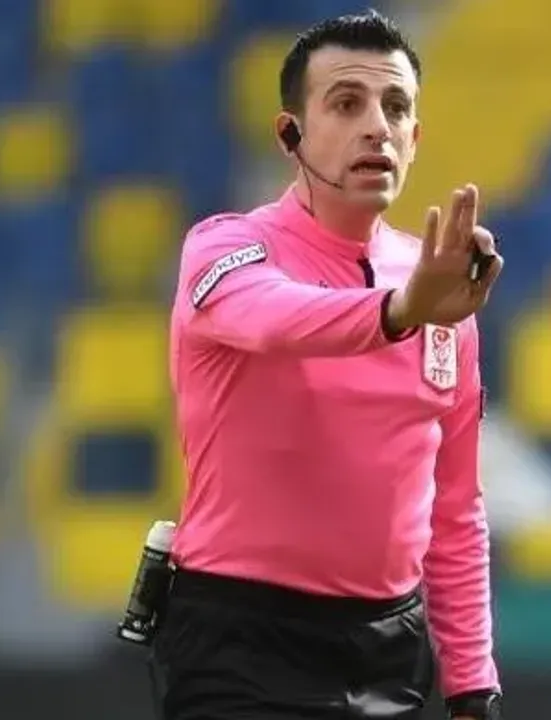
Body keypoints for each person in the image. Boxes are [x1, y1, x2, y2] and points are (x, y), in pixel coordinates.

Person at [155, 10, 504, 720]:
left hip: (389, 650)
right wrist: (398, 311)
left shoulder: (438, 290)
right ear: (290, 134)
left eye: (396, 108)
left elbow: (454, 506)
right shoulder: (226, 250)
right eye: (346, 104)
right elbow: (277, 320)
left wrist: (472, 684)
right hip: (241, 641)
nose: (376, 126)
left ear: (415, 138)